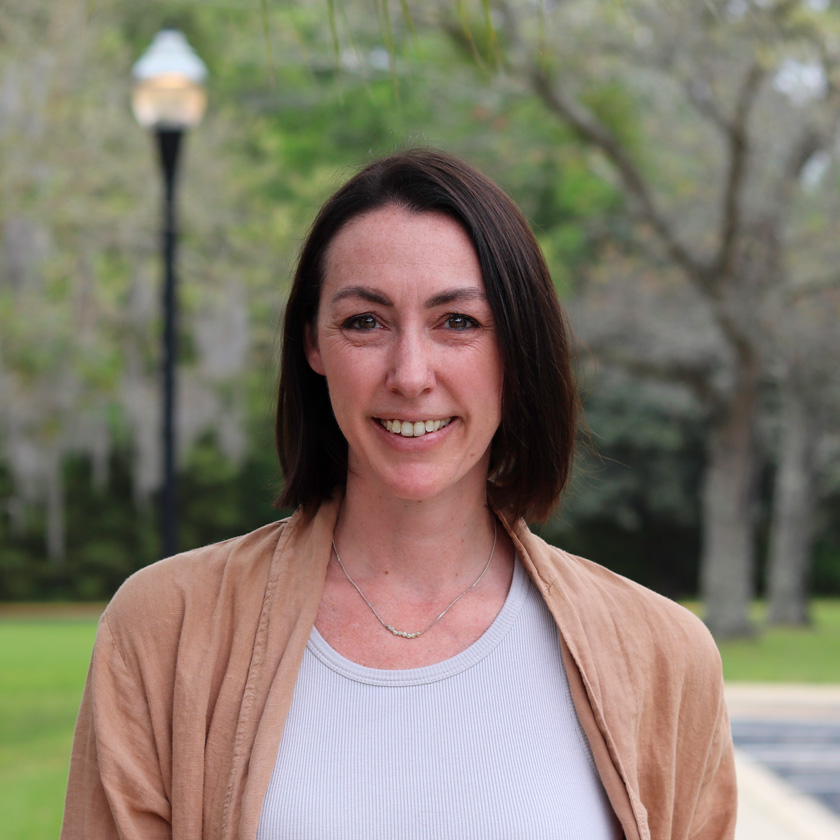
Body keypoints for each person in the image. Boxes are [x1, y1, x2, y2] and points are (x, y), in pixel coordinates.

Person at [62, 149, 737, 840]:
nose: (410, 375)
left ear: (519, 349)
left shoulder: (663, 654)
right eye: (365, 322)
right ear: (313, 347)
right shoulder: (164, 630)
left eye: (458, 323)